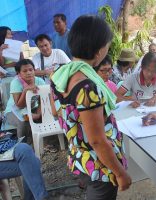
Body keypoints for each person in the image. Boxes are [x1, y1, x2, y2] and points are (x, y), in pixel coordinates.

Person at [50, 15, 131, 199]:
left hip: (79, 155)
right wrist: (120, 173)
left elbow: (56, 111)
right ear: (98, 52)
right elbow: (97, 141)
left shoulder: (59, 75)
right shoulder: (88, 88)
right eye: (107, 45)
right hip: (100, 163)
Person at [3, 59, 45, 139]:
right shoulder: (16, 83)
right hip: (13, 112)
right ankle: (23, 144)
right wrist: (25, 91)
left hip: (32, 109)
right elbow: (19, 106)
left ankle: (46, 142)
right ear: (19, 73)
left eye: (30, 70)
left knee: (45, 116)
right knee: (23, 121)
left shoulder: (40, 81)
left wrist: (38, 114)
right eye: (24, 71)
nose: (29, 73)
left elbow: (42, 101)